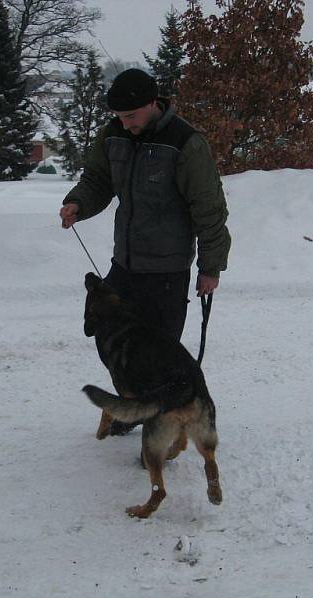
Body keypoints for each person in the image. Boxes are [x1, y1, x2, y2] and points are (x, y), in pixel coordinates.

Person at [60, 68, 231, 433]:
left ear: (154, 104)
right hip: (124, 264)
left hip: (166, 271)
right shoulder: (113, 136)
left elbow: (209, 208)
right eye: (120, 117)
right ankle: (127, 410)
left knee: (158, 356)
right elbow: (97, 181)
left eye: (132, 116)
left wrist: (210, 267)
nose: (126, 124)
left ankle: (162, 436)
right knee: (115, 346)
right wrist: (78, 203)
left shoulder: (185, 143)